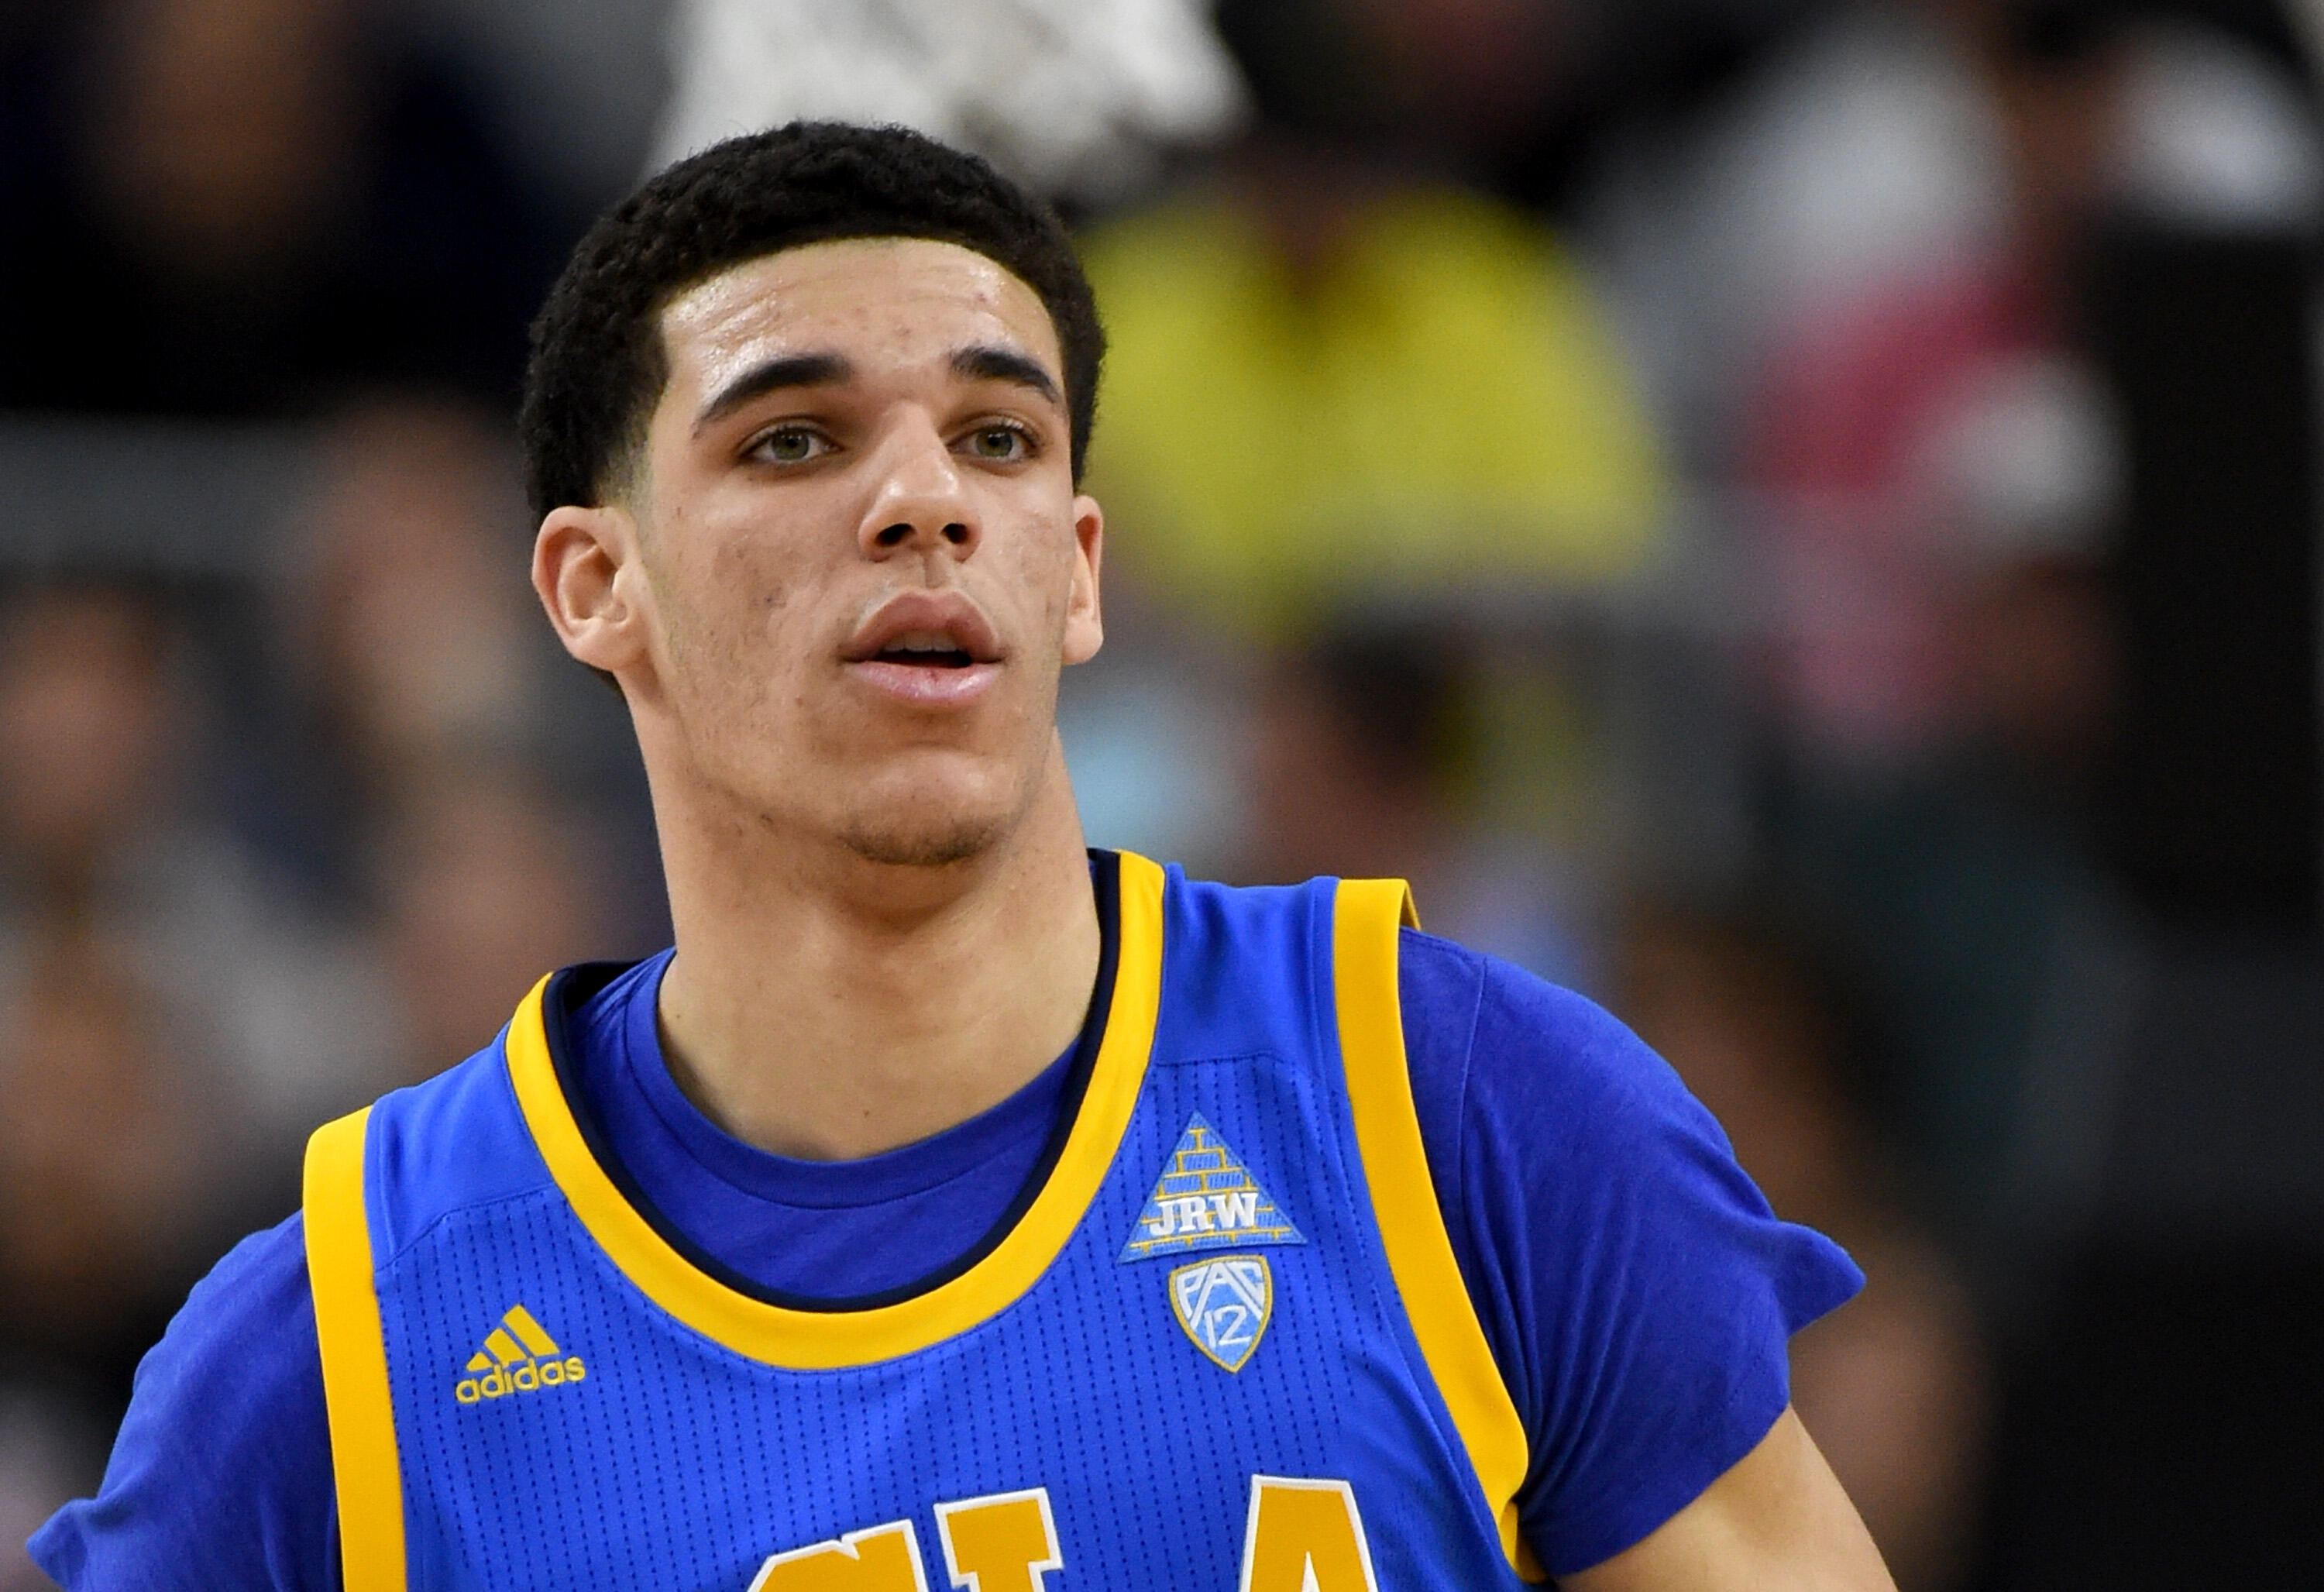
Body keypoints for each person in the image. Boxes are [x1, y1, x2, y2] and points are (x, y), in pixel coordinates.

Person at [30, 122, 1891, 1590]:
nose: (923, 495)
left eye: (997, 435)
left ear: (1076, 569)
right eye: (794, 438)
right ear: (599, 588)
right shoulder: (350, 1340)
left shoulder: (1456, 1103)